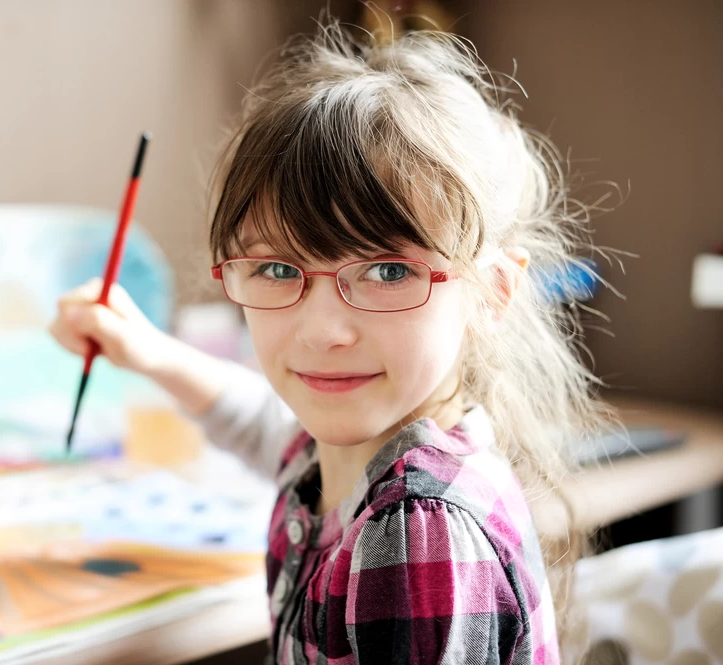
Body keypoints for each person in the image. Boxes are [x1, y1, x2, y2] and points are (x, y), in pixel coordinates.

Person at [50, 23, 609, 664]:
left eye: (388, 271)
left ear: (493, 293)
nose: (322, 331)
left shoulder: (413, 535)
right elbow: (268, 428)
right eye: (277, 268)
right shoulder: (356, 447)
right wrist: (149, 352)